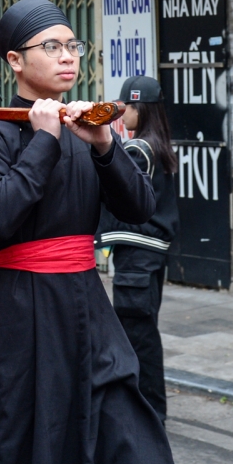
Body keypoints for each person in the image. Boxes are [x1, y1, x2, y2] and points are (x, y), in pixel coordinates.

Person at [0, 0, 177, 464]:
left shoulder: (90, 128)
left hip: (86, 303)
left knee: (125, 433)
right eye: (52, 46)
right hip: (21, 309)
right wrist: (44, 139)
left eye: (73, 45)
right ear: (15, 61)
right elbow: (0, 218)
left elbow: (140, 209)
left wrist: (107, 148)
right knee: (31, 437)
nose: (68, 56)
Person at [97, 75, 179, 423]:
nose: (123, 114)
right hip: (152, 256)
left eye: (127, 107)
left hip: (138, 257)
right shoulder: (158, 146)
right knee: (144, 333)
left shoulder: (137, 149)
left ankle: (149, 412)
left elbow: (116, 194)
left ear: (140, 109)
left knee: (137, 338)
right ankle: (149, 409)